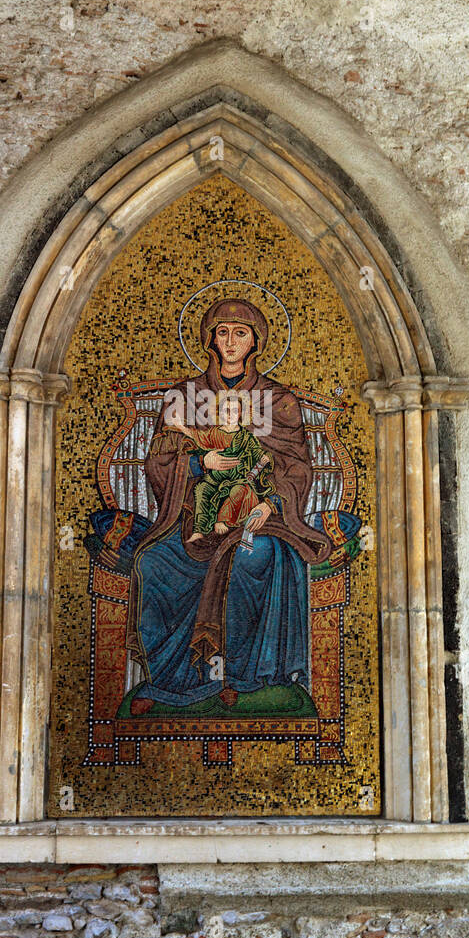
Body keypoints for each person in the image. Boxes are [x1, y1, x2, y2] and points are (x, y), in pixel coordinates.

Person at [124, 296, 332, 715]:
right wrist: (200, 462)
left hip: (259, 516)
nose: (231, 341)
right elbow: (159, 461)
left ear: (256, 341)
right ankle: (173, 682)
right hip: (193, 519)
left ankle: (244, 678)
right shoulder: (185, 397)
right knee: (154, 562)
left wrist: (271, 505)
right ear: (209, 340)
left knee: (257, 557)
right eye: (222, 332)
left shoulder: (278, 400)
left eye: (241, 333)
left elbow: (296, 465)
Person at [166, 389, 277, 540]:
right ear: (219, 413)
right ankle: (199, 529)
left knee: (239, 491)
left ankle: (222, 520)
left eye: (235, 410)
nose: (230, 414)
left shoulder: (246, 437)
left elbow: (257, 454)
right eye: (226, 410)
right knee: (201, 489)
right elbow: (199, 437)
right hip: (215, 477)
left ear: (240, 414)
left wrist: (264, 460)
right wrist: (181, 427)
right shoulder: (214, 433)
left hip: (238, 478)